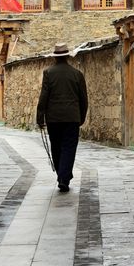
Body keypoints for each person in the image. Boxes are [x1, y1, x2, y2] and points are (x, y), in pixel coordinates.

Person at [36, 43, 88, 193]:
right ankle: (64, 178)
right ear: (67, 56)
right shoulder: (77, 74)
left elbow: (43, 97)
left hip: (53, 119)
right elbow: (83, 99)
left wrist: (40, 117)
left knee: (56, 147)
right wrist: (82, 116)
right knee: (69, 148)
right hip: (72, 118)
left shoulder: (48, 73)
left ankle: (62, 175)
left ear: (55, 58)